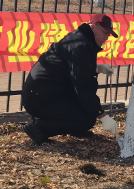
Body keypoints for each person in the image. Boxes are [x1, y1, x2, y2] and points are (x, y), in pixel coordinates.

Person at [21, 14, 119, 144]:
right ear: (93, 26)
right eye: (104, 32)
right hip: (41, 98)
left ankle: (75, 127)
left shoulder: (81, 39)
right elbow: (82, 86)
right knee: (86, 119)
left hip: (49, 92)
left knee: (87, 112)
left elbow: (72, 67)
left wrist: (95, 68)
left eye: (109, 34)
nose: (106, 37)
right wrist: (103, 116)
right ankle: (37, 128)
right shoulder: (80, 45)